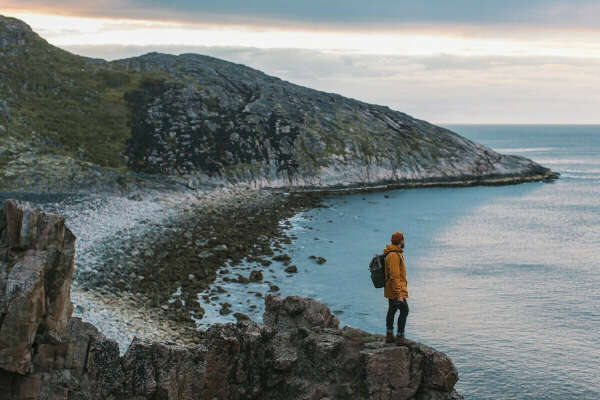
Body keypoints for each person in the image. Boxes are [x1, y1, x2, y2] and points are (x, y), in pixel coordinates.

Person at [384, 231, 410, 345]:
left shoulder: (393, 253)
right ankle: (400, 337)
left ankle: (389, 335)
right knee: (404, 310)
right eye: (403, 240)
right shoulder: (394, 255)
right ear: (400, 241)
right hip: (396, 290)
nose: (404, 242)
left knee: (392, 310)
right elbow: (394, 276)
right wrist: (399, 294)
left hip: (391, 288)